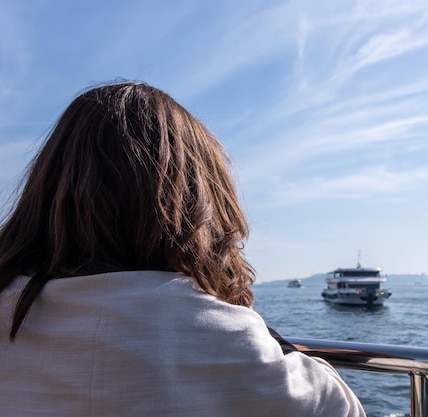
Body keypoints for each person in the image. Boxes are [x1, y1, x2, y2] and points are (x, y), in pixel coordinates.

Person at [0, 81, 366, 416]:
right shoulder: (225, 338)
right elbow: (339, 406)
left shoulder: (11, 308)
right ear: (199, 205)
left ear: (45, 193)